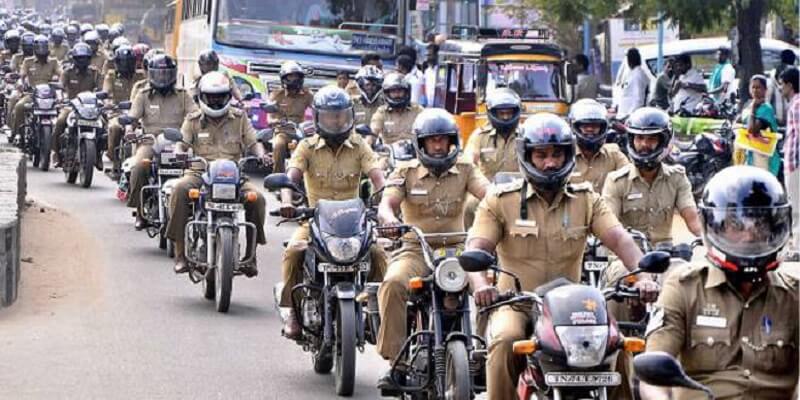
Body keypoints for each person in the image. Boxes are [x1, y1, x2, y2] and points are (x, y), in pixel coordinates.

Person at [465, 113, 659, 399]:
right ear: (526, 156)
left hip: (573, 307)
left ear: (568, 155)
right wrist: (482, 285)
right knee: (506, 340)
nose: (550, 163)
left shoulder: (586, 199)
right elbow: (477, 247)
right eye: (541, 155)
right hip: (517, 303)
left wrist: (643, 277)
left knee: (615, 344)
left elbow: (620, 239)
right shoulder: (500, 199)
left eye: (557, 154)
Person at [641, 165, 798, 400]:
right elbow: (652, 378)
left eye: (760, 226)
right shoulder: (684, 287)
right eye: (736, 225)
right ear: (713, 225)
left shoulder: (793, 296)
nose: (749, 236)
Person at [375, 108, 489, 389]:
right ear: (421, 143)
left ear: (452, 141)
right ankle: (397, 361)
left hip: (458, 250)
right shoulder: (405, 171)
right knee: (392, 283)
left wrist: (504, 212)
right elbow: (387, 204)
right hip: (417, 249)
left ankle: (484, 356)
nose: (438, 146)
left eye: (443, 139)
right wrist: (389, 220)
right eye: (432, 140)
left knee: (490, 292)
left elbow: (490, 196)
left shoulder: (466, 169)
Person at [277, 86, 387, 339]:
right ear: (318, 118)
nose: (336, 122)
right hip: (315, 221)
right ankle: (292, 310)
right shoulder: (306, 147)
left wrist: (384, 204)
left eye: (340, 116)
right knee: (293, 251)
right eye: (329, 117)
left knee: (379, 253)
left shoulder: (359, 145)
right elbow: (290, 178)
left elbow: (378, 178)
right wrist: (287, 202)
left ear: (349, 116)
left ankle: (377, 309)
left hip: (354, 225)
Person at [168, 72, 267, 276]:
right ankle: (180, 253)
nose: (215, 101)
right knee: (179, 189)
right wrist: (179, 153)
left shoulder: (239, 117)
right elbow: (181, 143)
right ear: (202, 97)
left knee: (257, 199)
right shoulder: (193, 119)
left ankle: (251, 255)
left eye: (220, 97)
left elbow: (253, 142)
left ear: (228, 96)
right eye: (211, 97)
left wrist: (262, 155)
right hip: (200, 172)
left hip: (234, 175)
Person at [603, 107, 702, 246]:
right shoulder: (616, 181)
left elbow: (693, 220)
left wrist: (710, 241)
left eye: (652, 139)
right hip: (627, 253)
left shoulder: (677, 178)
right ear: (631, 140)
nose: (644, 144)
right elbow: (610, 227)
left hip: (665, 254)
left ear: (663, 142)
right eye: (639, 138)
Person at [126, 54, 196, 230]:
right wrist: (129, 131)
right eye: (159, 73)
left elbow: (195, 115)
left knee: (197, 168)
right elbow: (132, 118)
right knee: (139, 166)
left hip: (179, 141)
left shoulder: (183, 95)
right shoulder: (143, 95)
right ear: (151, 74)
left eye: (167, 73)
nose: (163, 78)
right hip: (150, 141)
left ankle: (195, 210)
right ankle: (140, 211)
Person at [463, 88, 521, 227]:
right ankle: (469, 238)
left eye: (509, 113)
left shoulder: (526, 135)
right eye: (502, 113)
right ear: (492, 113)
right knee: (469, 205)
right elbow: (468, 162)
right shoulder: (479, 136)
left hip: (520, 191)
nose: (506, 117)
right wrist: (482, 187)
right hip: (487, 192)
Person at [52, 42, 103, 167]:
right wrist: (60, 98)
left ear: (89, 59)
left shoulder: (95, 73)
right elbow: (61, 86)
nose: (82, 61)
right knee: (60, 121)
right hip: (71, 106)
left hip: (90, 108)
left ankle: (98, 154)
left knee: (103, 125)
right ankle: (56, 154)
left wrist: (102, 98)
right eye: (79, 58)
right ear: (74, 59)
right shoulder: (67, 72)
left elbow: (101, 89)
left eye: (85, 58)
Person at [569, 98, 630, 193]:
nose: (590, 129)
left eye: (595, 125)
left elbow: (630, 177)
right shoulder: (565, 155)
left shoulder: (613, 154)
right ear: (575, 127)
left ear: (602, 127)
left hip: (608, 202)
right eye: (585, 125)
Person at [103, 45, 145, 180]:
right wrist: (108, 102)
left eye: (129, 62)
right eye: (122, 62)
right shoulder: (111, 75)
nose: (126, 65)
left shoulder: (141, 76)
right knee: (114, 128)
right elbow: (106, 91)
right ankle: (113, 157)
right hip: (117, 112)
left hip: (137, 114)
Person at [10, 34, 60, 144]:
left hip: (49, 96)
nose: (42, 50)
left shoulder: (54, 61)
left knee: (61, 111)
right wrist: (22, 83)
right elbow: (22, 75)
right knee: (19, 106)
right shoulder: (28, 61)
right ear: (34, 48)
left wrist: (59, 83)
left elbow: (61, 74)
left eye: (44, 47)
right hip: (32, 94)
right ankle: (18, 133)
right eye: (39, 47)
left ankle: (58, 141)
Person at [267, 60, 313, 174]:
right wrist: (276, 121)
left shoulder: (307, 95)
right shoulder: (276, 95)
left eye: (296, 76)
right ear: (283, 78)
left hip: (302, 131)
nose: (294, 79)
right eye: (290, 76)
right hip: (283, 131)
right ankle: (277, 176)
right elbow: (269, 118)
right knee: (278, 145)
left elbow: (317, 109)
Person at [734, 75, 781, 175]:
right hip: (750, 154)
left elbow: (752, 130)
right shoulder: (749, 105)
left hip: (764, 156)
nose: (755, 90)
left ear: (765, 90)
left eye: (758, 87)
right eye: (753, 87)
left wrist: (753, 109)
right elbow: (738, 121)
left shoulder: (766, 109)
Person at [370, 72, 424, 145]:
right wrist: (368, 143)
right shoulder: (382, 112)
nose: (397, 94)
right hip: (389, 151)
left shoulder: (417, 110)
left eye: (400, 91)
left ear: (406, 92)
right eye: (393, 91)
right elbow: (373, 133)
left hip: (414, 150)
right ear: (387, 93)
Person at [781, 67, 800, 258]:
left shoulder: (797, 105)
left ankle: (798, 248)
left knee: (796, 207)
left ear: (790, 85)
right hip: (793, 163)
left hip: (796, 164)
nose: (780, 88)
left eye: (782, 84)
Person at [613, 47, 650, 119]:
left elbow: (639, 99)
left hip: (629, 117)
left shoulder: (638, 75)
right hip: (624, 115)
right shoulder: (632, 73)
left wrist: (629, 115)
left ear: (630, 60)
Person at [768, 49, 797, 126]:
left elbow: (768, 98)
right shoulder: (795, 73)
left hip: (777, 117)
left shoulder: (774, 74)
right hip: (792, 118)